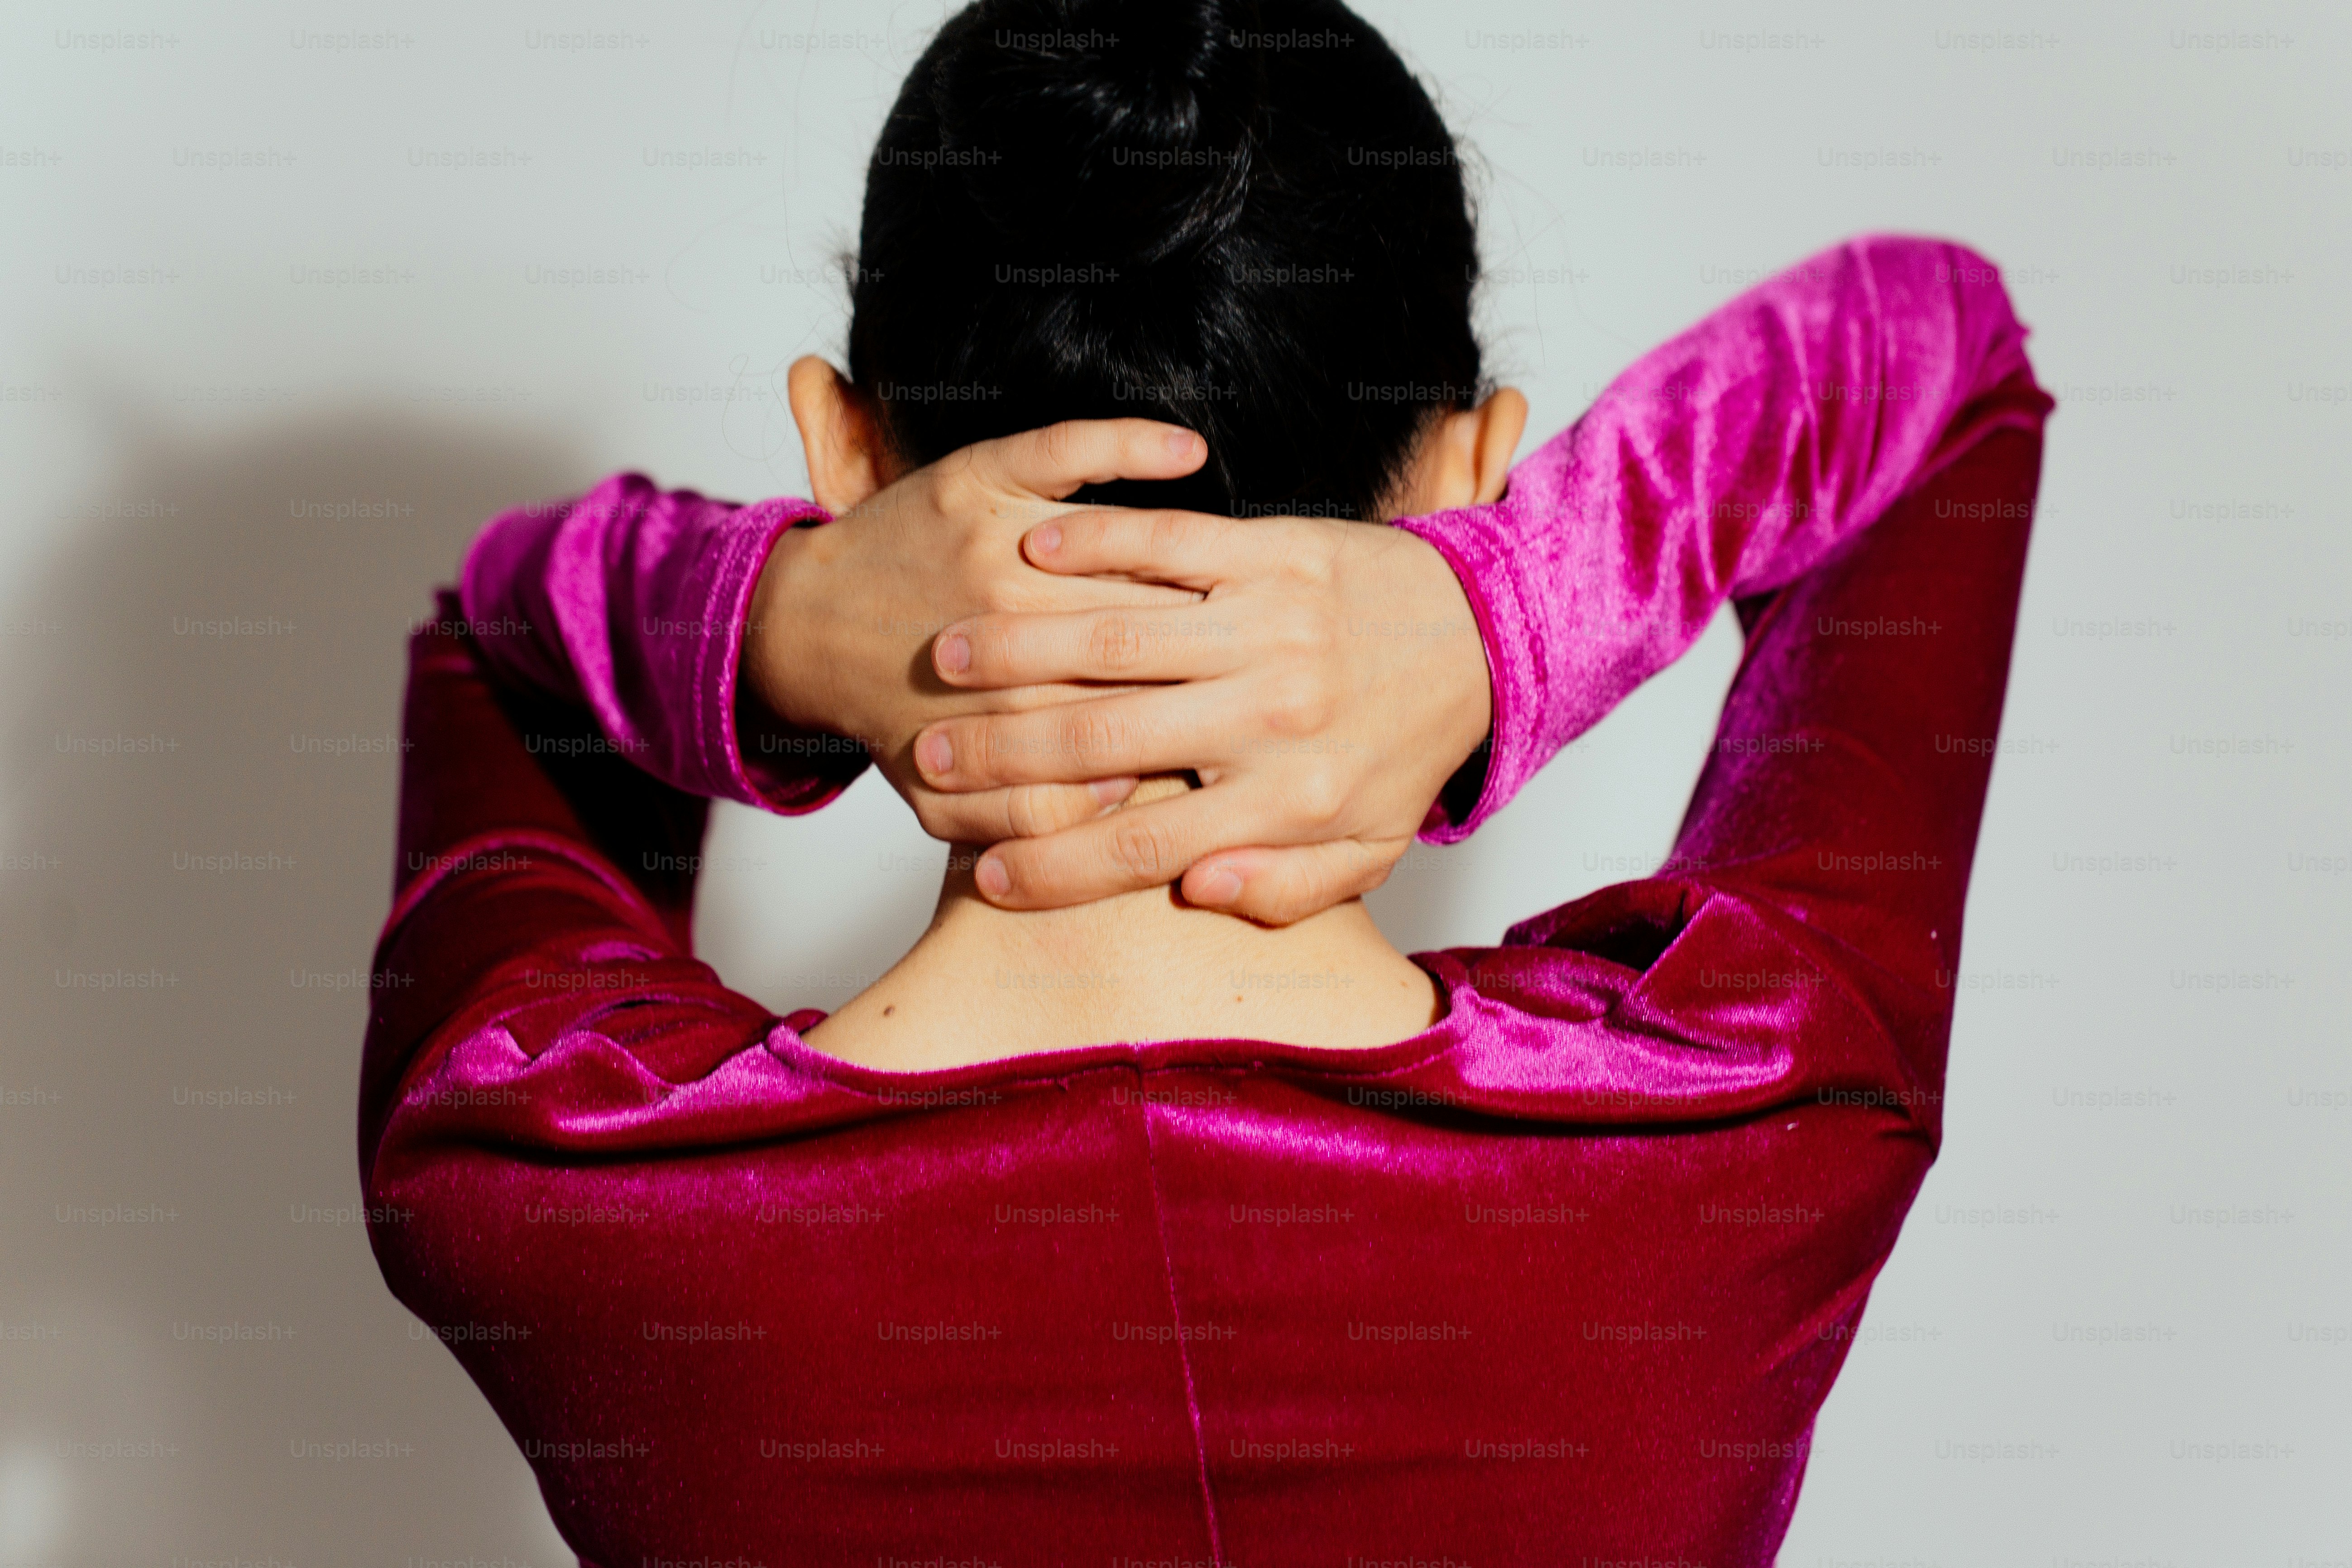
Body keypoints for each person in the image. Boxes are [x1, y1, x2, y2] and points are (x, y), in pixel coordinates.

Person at [360, 1, 2052, 1561]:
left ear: (843, 450)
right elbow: (1943, 359)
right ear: (1467, 469)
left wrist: (770, 617)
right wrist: (1516, 610)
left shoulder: (552, 1180)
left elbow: (505, 638)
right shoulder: (1750, 1117)